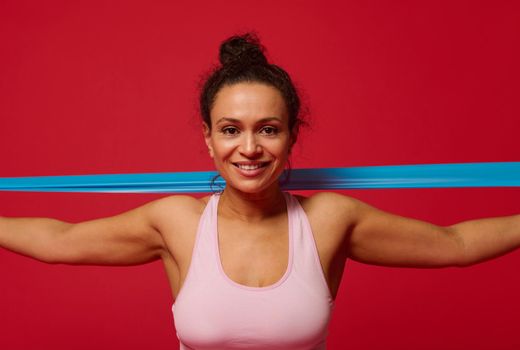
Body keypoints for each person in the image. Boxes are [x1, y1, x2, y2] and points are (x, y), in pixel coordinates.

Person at [0, 32, 519, 350]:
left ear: (293, 135)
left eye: (268, 129)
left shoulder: (329, 220)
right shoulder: (176, 222)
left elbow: (456, 245)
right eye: (230, 130)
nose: (249, 148)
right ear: (208, 139)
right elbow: (62, 240)